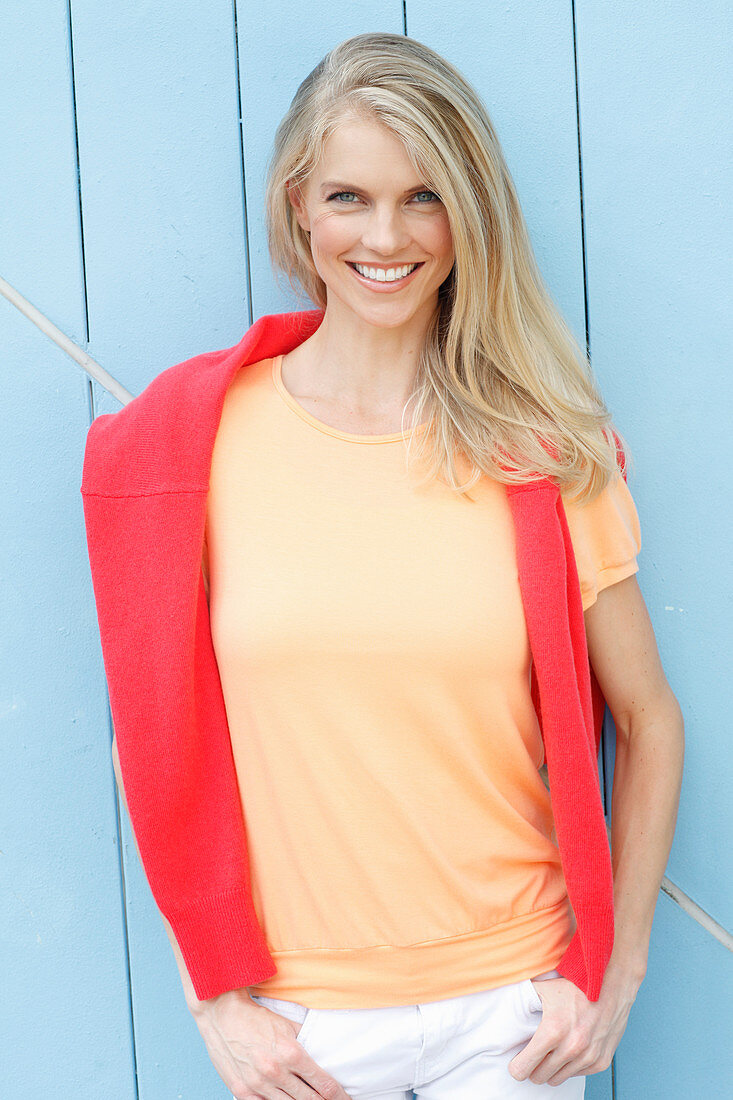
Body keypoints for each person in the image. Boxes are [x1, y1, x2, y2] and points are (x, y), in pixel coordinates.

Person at [81, 31, 684, 1100]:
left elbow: (646, 718)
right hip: (302, 1024)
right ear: (299, 205)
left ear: (467, 212)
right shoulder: (192, 445)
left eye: (424, 197)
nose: (387, 236)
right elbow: (152, 732)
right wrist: (212, 997)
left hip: (513, 1011)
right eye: (351, 197)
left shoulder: (541, 452)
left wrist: (616, 967)